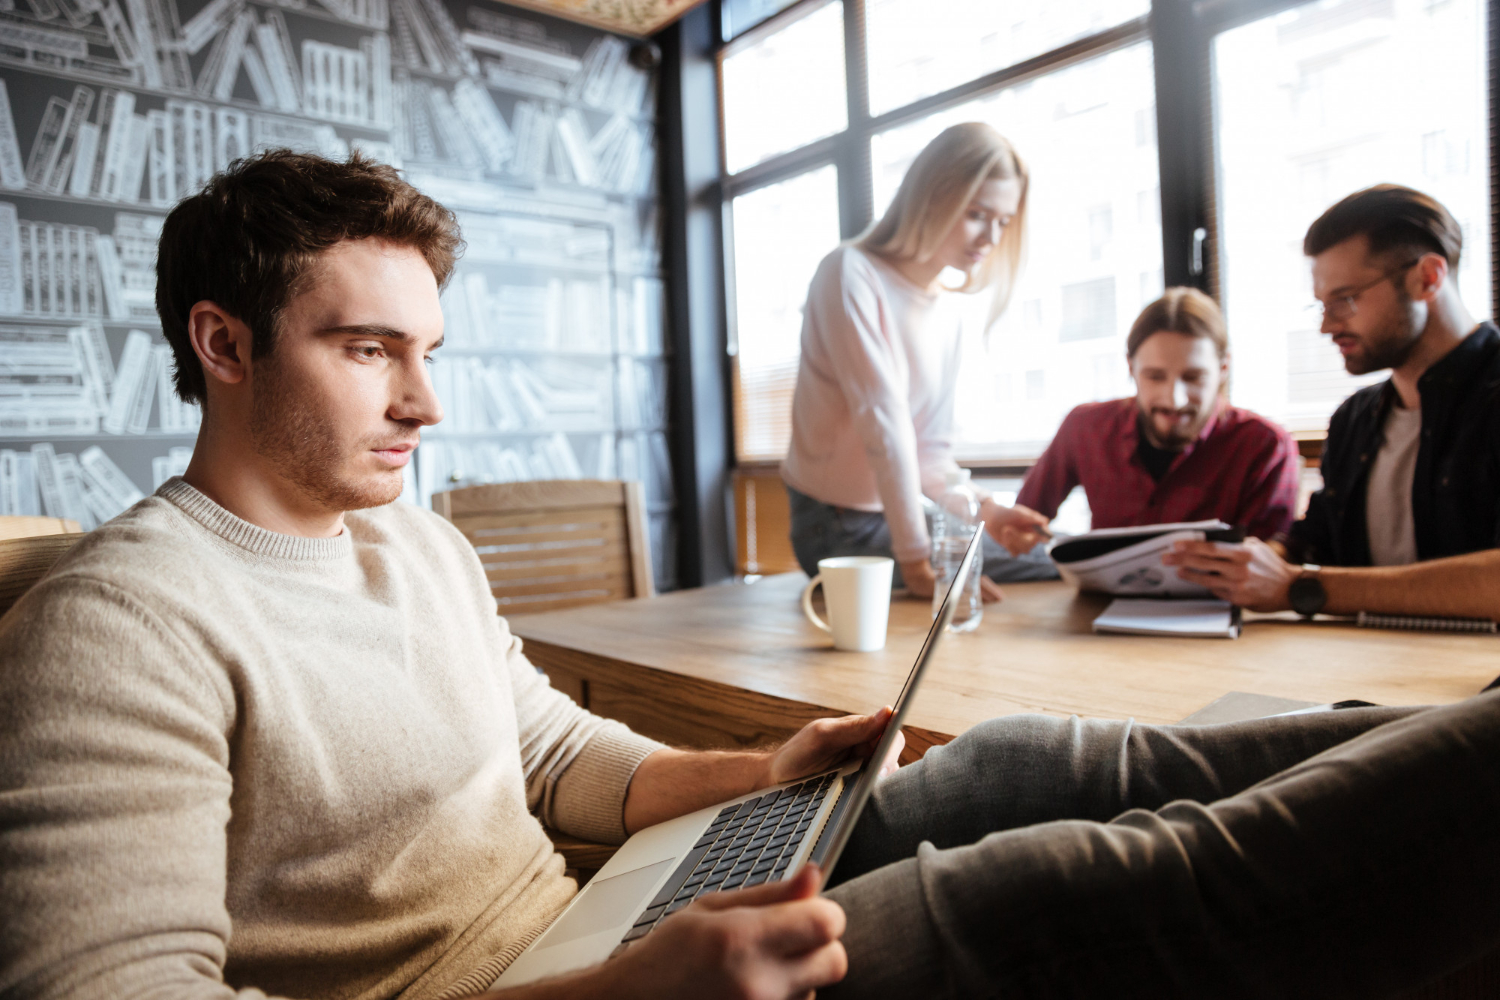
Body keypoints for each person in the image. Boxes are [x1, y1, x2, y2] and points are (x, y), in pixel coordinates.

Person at [6, 153, 1498, 1000]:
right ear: (223, 343)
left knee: (1030, 758)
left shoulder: (413, 542)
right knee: (1073, 884)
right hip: (545, 986)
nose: (425, 401)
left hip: (605, 924)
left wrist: (759, 771)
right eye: (367, 349)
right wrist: (618, 995)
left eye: (429, 351)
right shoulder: (119, 622)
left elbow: (553, 758)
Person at [1163, 185, 1500, 620]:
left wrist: (1302, 588)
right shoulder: (1354, 418)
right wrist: (1247, 566)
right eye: (1321, 306)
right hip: (1362, 658)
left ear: (1428, 278)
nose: (1327, 326)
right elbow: (1313, 541)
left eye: (1345, 300)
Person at [780, 123, 1054, 602]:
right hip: (834, 526)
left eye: (1003, 221)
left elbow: (930, 453)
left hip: (892, 517)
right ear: (931, 197)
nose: (990, 236)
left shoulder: (948, 312)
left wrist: (986, 510)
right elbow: (884, 426)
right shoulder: (849, 273)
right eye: (977, 214)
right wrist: (918, 565)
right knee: (1045, 564)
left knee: (1052, 555)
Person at [1016, 287, 1299, 541]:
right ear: (1131, 368)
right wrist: (1017, 531)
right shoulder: (1085, 426)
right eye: (1155, 376)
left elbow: (1267, 563)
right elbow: (1023, 518)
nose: (1174, 399)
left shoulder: (1266, 446)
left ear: (1223, 368)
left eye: (1193, 377)